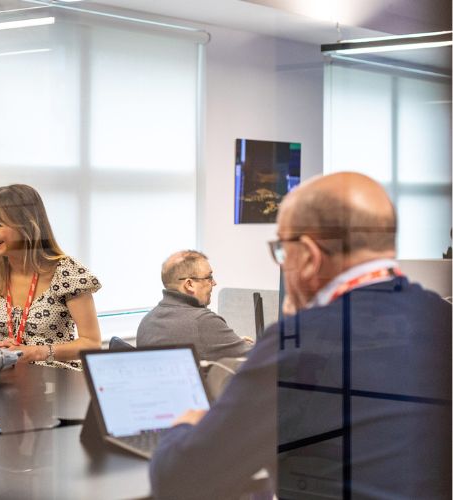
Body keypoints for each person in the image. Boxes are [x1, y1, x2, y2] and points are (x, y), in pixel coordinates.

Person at [148, 172, 451, 498]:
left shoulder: (299, 344)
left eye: (282, 250)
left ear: (308, 255)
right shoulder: (442, 316)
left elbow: (179, 478)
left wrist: (185, 424)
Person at [0, 184, 102, 370]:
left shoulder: (67, 273)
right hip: (10, 378)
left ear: (26, 225)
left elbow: (91, 343)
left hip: (59, 378)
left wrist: (36, 352)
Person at [136, 250, 251, 361]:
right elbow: (256, 360)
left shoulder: (147, 322)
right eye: (209, 277)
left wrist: (230, 342)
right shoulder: (203, 321)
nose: (214, 283)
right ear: (189, 284)